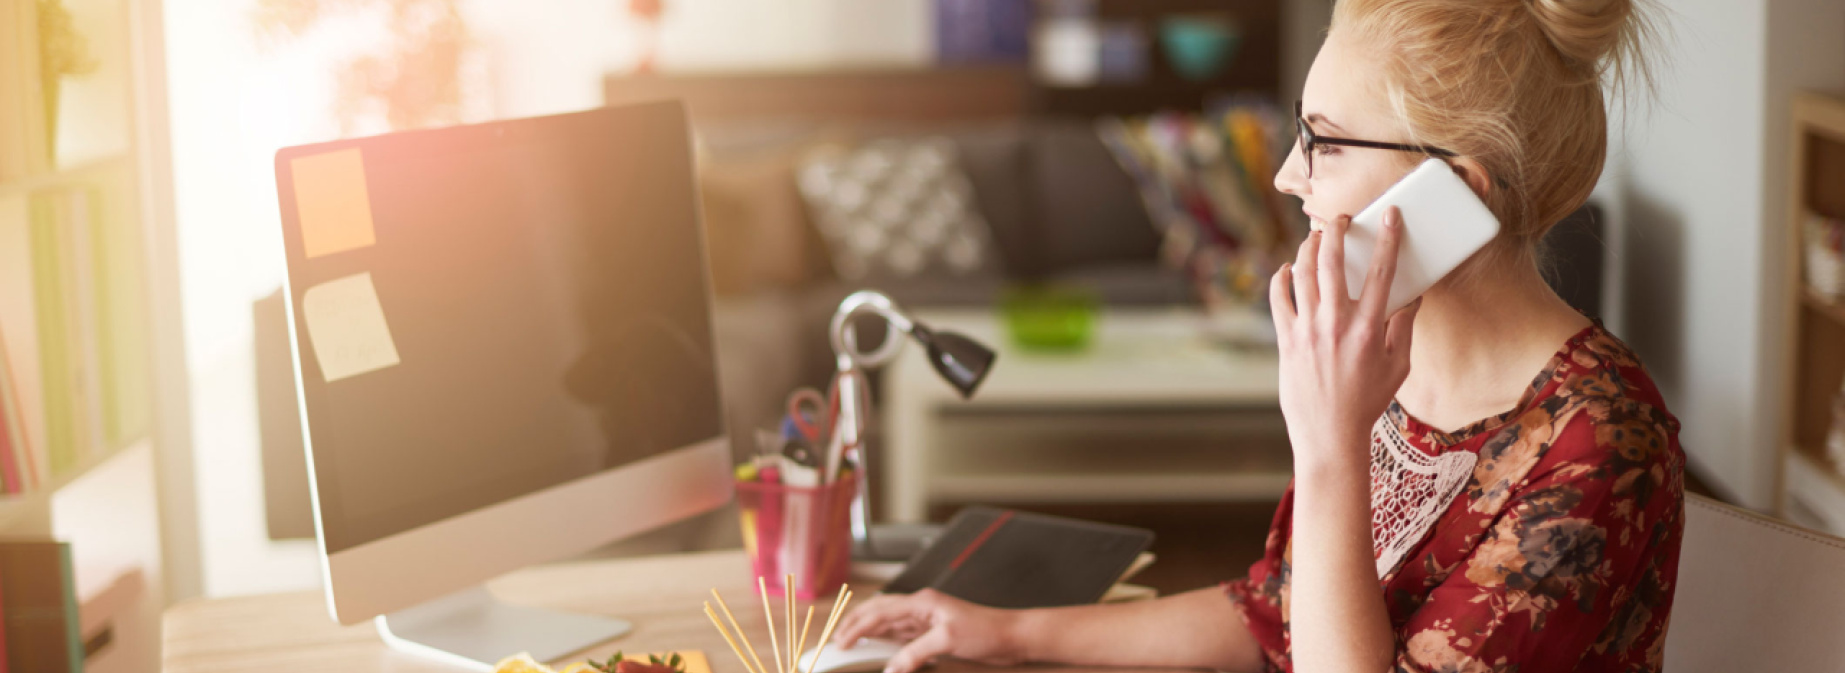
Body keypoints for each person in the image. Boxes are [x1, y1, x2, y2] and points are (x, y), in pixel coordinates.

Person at [829, 0, 1685, 671]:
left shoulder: (1600, 444)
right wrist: (1002, 634)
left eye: (1325, 142)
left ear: (1453, 192)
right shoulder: (1387, 352)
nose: (1285, 175)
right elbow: (1273, 612)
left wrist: (1329, 449)